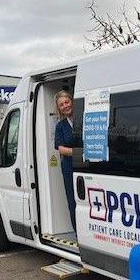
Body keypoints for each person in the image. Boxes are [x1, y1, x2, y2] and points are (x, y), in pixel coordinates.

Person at [54, 90, 77, 230]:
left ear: (72, 101)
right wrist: (82, 153)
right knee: (73, 201)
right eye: (61, 105)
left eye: (66, 102)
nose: (65, 106)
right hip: (69, 167)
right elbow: (61, 149)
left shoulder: (84, 119)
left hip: (88, 166)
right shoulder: (60, 126)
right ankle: (78, 233)